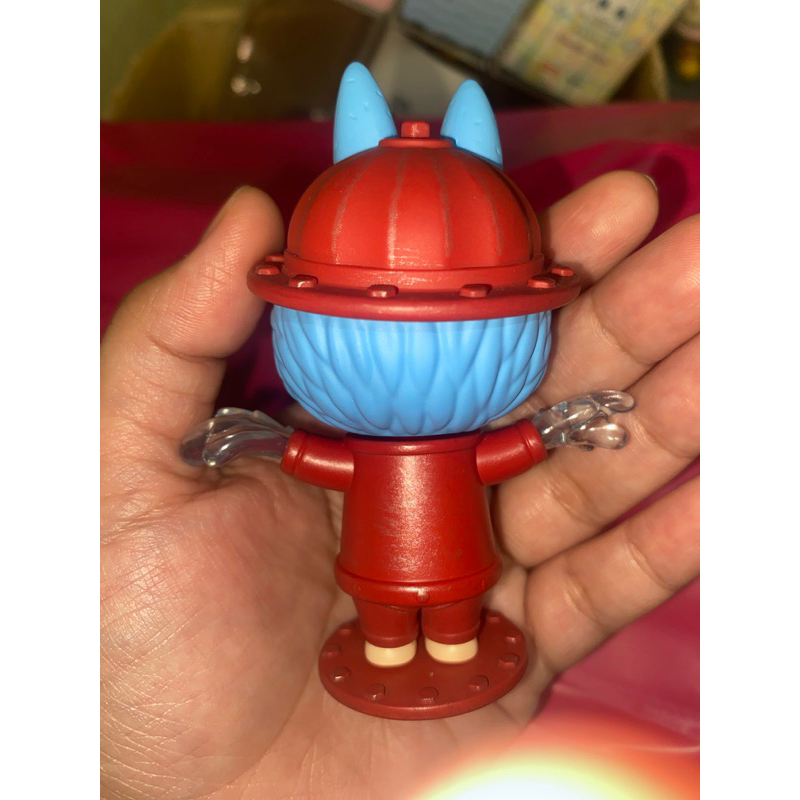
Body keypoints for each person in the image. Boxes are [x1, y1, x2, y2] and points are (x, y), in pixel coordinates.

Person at [100, 171, 699, 799]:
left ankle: (450, 646)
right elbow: (344, 464)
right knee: (384, 628)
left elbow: (488, 457)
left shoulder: (451, 443)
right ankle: (391, 652)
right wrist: (273, 442)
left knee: (455, 625)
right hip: (375, 572)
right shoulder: (380, 448)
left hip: (459, 570)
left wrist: (550, 429)